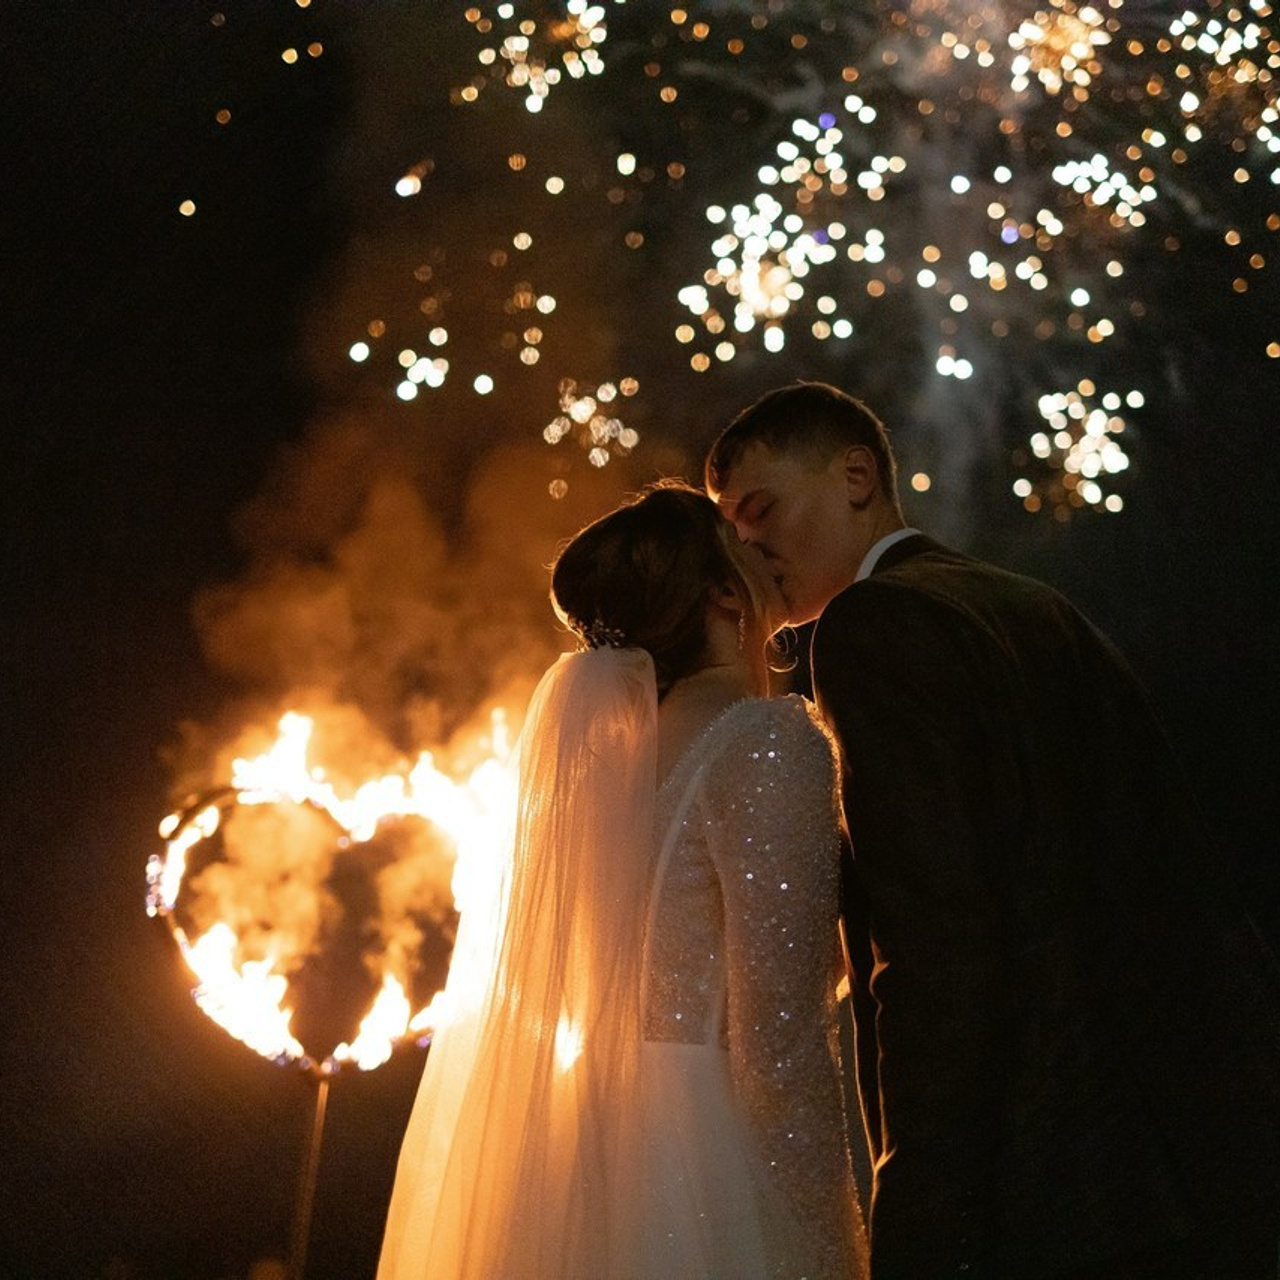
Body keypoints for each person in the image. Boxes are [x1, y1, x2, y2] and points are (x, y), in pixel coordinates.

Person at [705, 380, 1280, 1278]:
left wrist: (924, 1207)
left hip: (1047, 1170)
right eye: (731, 526)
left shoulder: (872, 624)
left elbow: (935, 934)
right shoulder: (1033, 604)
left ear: (857, 474)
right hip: (1190, 1137)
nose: (746, 543)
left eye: (762, 508)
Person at [378, 481, 865, 1279]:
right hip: (708, 1160)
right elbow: (778, 1046)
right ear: (722, 594)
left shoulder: (604, 766)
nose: (766, 548)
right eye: (744, 544)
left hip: (591, 1147)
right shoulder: (767, 743)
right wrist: (827, 1249)